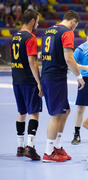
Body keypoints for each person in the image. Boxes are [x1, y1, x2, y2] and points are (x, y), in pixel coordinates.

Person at [41, 10, 88, 162]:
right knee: (56, 115)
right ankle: (48, 152)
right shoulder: (67, 32)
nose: (74, 29)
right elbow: (69, 58)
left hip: (48, 74)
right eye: (75, 26)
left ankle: (57, 146)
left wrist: (81, 68)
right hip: (55, 77)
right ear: (73, 22)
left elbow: (58, 57)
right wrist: (79, 76)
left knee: (66, 111)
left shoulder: (49, 30)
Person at [11, 9, 42, 160]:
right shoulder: (30, 37)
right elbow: (32, 61)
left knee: (21, 112)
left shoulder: (15, 36)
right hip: (28, 81)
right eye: (37, 20)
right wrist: (39, 83)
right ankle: (30, 146)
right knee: (34, 113)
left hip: (16, 79)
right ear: (32, 21)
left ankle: (19, 146)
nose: (38, 23)